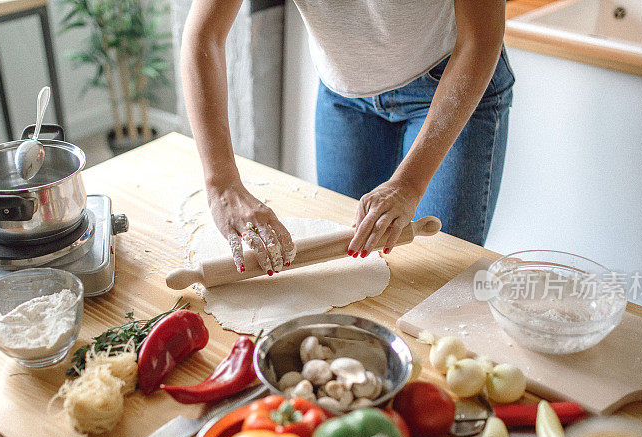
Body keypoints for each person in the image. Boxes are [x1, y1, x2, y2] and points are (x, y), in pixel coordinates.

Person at [181, 0, 513, 274]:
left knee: (440, 276)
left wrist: (410, 184)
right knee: (344, 264)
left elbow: (479, 38)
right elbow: (205, 36)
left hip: (449, 82)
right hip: (345, 93)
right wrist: (221, 182)